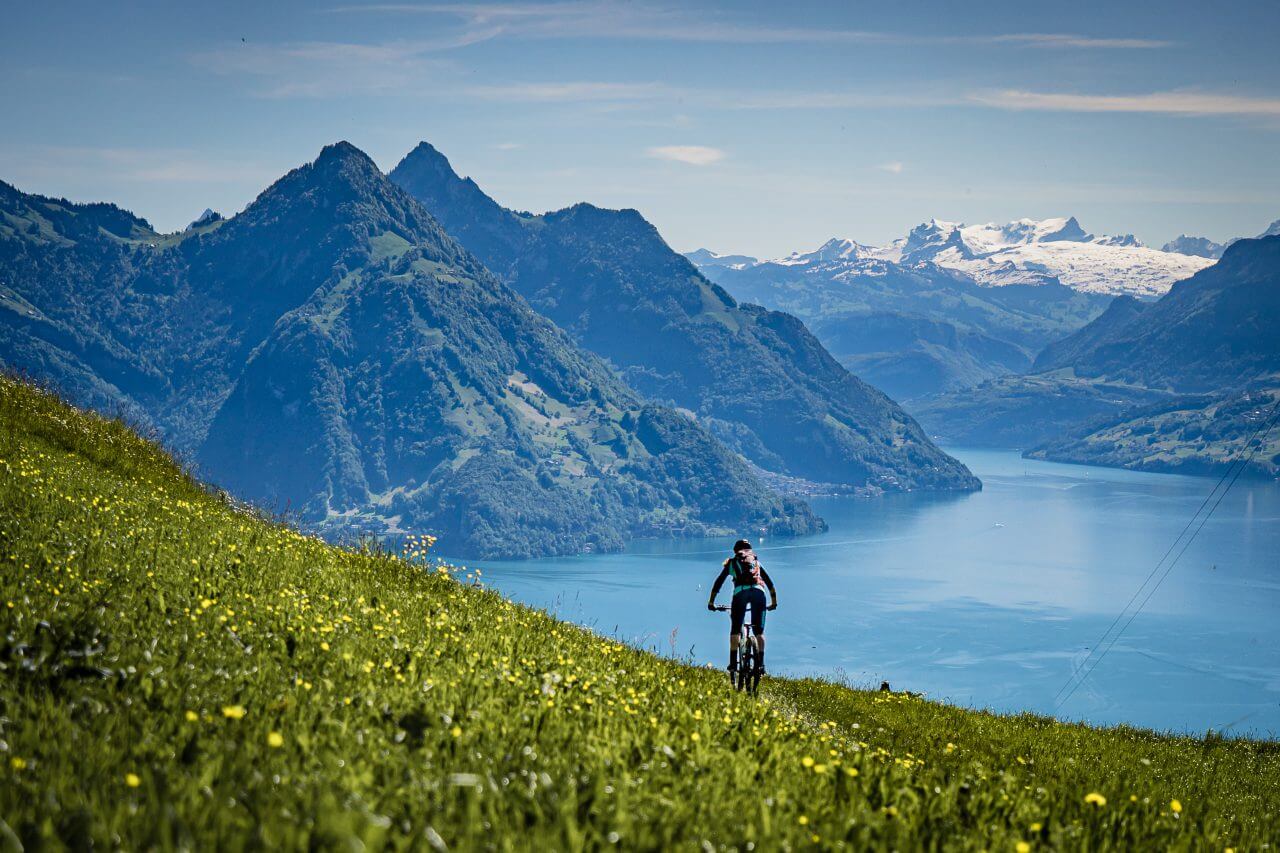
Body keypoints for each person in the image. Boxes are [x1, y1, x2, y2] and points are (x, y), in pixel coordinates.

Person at [707, 538, 777, 677]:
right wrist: (774, 602)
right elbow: (769, 583)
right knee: (759, 632)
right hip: (759, 593)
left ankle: (733, 664)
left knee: (735, 631)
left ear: (736, 551)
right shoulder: (756, 562)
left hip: (740, 594)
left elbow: (718, 583)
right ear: (749, 550)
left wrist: (711, 602)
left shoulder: (732, 563)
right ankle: (761, 665)